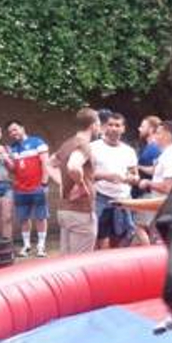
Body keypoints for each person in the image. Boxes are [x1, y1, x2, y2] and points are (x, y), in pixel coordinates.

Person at [52, 108, 100, 254]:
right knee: (80, 263)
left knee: (66, 262)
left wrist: (62, 183)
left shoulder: (68, 143)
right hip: (81, 211)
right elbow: (73, 166)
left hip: (65, 211)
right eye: (98, 123)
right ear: (92, 125)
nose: (99, 127)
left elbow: (50, 163)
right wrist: (81, 185)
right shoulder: (84, 145)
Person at [90, 112, 139, 250]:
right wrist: (107, 176)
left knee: (125, 235)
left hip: (123, 200)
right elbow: (87, 175)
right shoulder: (94, 147)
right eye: (110, 125)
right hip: (100, 197)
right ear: (105, 127)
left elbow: (135, 175)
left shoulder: (128, 151)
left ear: (123, 129)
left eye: (117, 125)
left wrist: (132, 178)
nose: (113, 128)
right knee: (97, 237)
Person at [5, 120, 50, 258]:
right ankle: (26, 245)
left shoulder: (37, 142)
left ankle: (41, 246)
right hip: (20, 189)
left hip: (37, 187)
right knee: (23, 218)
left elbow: (45, 163)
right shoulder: (12, 148)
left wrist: (44, 183)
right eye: (10, 132)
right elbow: (14, 169)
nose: (13, 133)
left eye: (15, 129)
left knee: (41, 217)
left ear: (22, 128)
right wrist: (6, 158)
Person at [132, 115, 162, 245]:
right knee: (149, 228)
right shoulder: (150, 147)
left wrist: (137, 167)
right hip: (146, 193)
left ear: (151, 129)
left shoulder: (154, 148)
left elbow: (156, 170)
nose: (139, 129)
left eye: (142, 126)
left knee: (138, 227)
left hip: (147, 194)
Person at [140, 120, 172, 204]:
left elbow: (168, 187)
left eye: (158, 133)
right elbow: (155, 171)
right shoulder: (165, 154)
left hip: (166, 207)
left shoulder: (171, 157)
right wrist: (139, 167)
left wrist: (148, 183)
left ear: (167, 136)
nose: (154, 136)